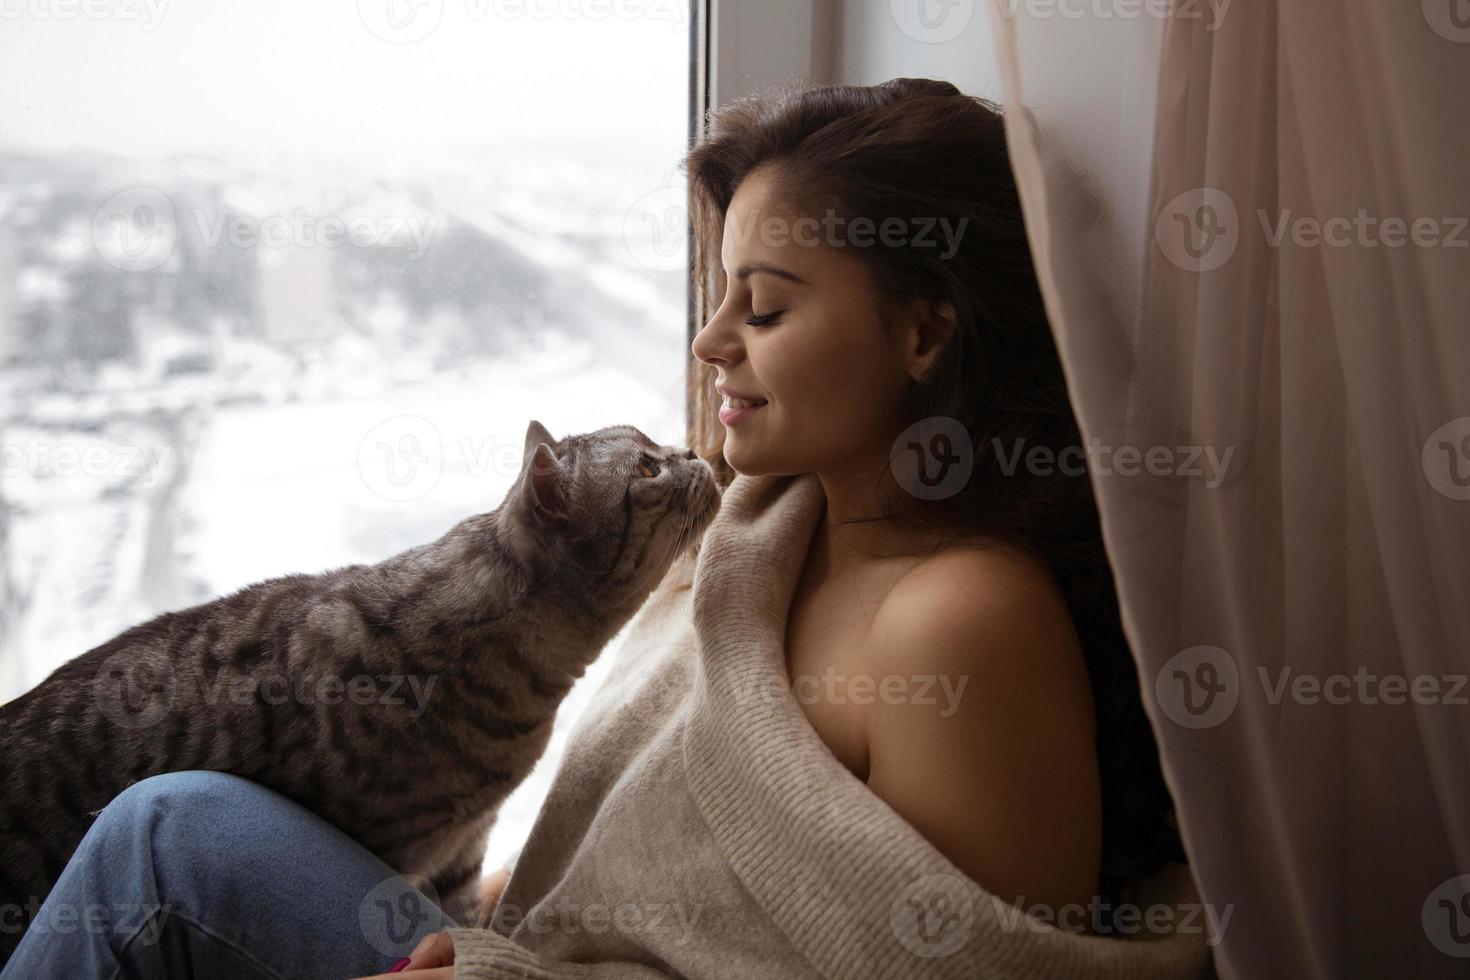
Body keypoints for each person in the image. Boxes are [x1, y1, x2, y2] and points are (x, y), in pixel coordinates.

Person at [1, 77, 1189, 979]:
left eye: (763, 305)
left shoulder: (961, 612)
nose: (711, 340)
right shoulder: (759, 536)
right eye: (718, 294)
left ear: (924, 335)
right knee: (174, 822)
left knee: (166, 842)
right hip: (520, 954)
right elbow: (644, 856)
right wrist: (488, 923)